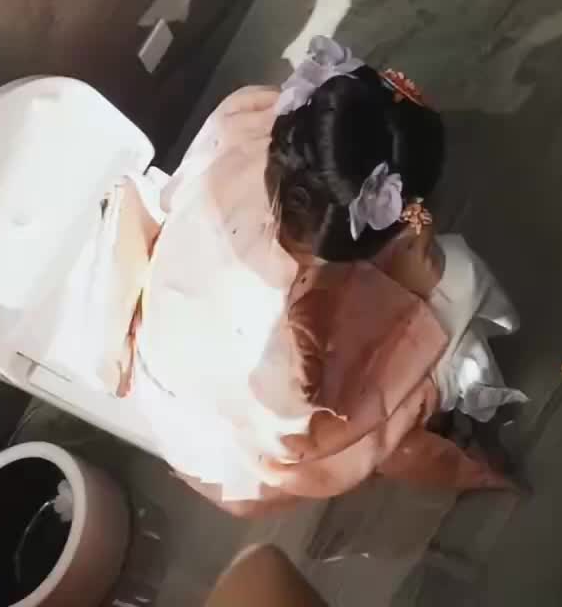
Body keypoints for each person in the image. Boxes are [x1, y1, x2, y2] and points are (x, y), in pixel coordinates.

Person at [117, 42, 522, 513]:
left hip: (180, 312)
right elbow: (308, 438)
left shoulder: (246, 118)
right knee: (458, 282)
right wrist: (413, 290)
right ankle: (448, 440)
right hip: (238, 419)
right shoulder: (282, 346)